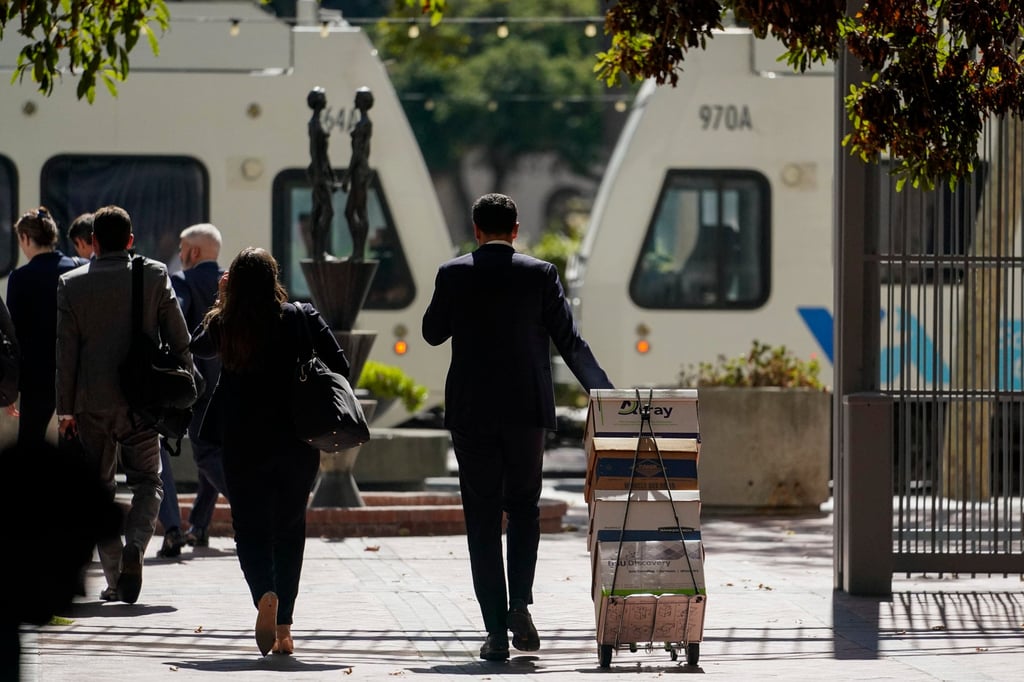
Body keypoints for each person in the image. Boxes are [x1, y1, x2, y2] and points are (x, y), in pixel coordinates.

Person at [421, 193, 614, 661]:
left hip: (471, 411)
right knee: (524, 507)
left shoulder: (454, 274)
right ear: (515, 229)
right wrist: (605, 392)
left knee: (483, 519)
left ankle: (493, 630)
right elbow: (569, 340)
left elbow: (431, 332)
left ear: (475, 229)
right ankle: (520, 605)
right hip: (527, 410)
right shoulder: (540, 274)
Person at [191, 247, 349, 656]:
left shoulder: (226, 323)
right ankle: (284, 629)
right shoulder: (301, 316)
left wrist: (222, 301)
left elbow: (196, 347)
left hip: (242, 442)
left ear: (235, 283)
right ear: (274, 277)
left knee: (250, 529)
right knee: (290, 530)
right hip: (298, 440)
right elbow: (341, 365)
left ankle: (264, 592)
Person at [56, 205, 192, 604]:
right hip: (143, 403)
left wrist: (65, 411)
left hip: (90, 403)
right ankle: (136, 546)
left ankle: (115, 576)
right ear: (131, 241)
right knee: (148, 481)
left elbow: (66, 354)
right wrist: (183, 389)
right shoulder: (154, 275)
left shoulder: (70, 284)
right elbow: (180, 339)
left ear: (93, 243)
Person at [6, 207, 87, 451]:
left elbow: (13, 334)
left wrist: (10, 386)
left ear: (25, 238)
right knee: (75, 444)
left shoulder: (20, 277)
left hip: (36, 376)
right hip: (77, 373)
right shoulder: (80, 267)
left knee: (30, 439)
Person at [172, 223, 229, 551]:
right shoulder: (231, 283)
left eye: (182, 250)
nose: (180, 256)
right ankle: (199, 525)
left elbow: (176, 325)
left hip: (199, 384)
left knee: (206, 453)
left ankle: (247, 504)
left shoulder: (182, 280)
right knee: (217, 450)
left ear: (193, 252)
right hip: (232, 380)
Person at [341, 86, 374, 262]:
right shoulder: (363, 122)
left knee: (357, 212)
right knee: (353, 212)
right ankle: (358, 250)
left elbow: (358, 153)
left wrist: (346, 176)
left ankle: (359, 251)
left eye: (356, 98)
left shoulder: (364, 123)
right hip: (360, 171)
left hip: (359, 171)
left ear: (362, 101)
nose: (354, 100)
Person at [307, 86, 337, 261]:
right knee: (326, 211)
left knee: (319, 211)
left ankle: (319, 250)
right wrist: (320, 176)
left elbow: (324, 156)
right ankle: (319, 250)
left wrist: (332, 177)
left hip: (322, 172)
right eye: (324, 98)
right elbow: (316, 153)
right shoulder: (315, 124)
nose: (326, 100)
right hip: (319, 173)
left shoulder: (317, 122)